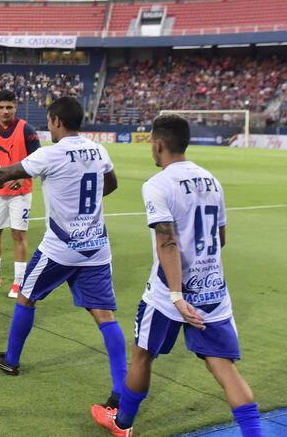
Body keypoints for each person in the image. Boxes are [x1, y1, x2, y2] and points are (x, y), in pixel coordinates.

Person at [0, 97, 127, 411]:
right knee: (105, 317)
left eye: (50, 121)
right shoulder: (98, 149)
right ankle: (120, 391)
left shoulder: (51, 154)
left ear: (55, 121)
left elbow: (4, 174)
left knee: (26, 296)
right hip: (95, 247)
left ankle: (11, 360)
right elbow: (111, 184)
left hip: (61, 247)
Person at [90, 115, 263, 437]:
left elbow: (167, 241)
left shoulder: (158, 184)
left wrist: (177, 296)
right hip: (212, 291)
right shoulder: (212, 180)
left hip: (168, 294)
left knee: (143, 354)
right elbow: (220, 238)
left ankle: (123, 424)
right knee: (223, 367)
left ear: (158, 144)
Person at [0, 90, 40, 294]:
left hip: (21, 193)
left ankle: (19, 281)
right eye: (1, 107)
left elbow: (37, 162)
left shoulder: (27, 130)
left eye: (9, 107)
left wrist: (22, 177)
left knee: (18, 234)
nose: (5, 111)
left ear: (16, 107)